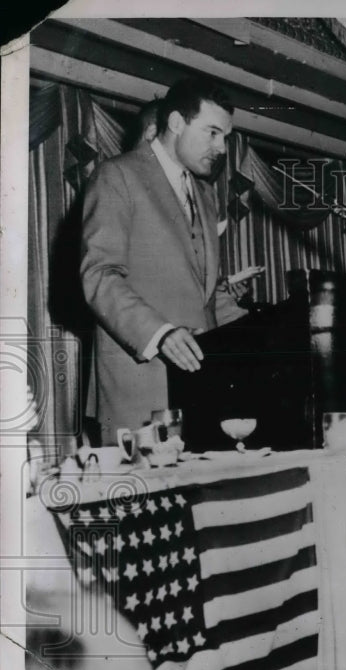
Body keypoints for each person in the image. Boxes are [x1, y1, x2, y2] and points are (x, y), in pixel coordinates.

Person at [81, 78, 247, 441]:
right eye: (212, 133)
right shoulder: (118, 175)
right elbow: (99, 275)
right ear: (175, 123)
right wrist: (161, 334)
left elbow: (204, 295)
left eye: (225, 137)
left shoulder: (205, 195)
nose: (221, 148)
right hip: (141, 389)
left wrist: (261, 329)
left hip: (201, 387)